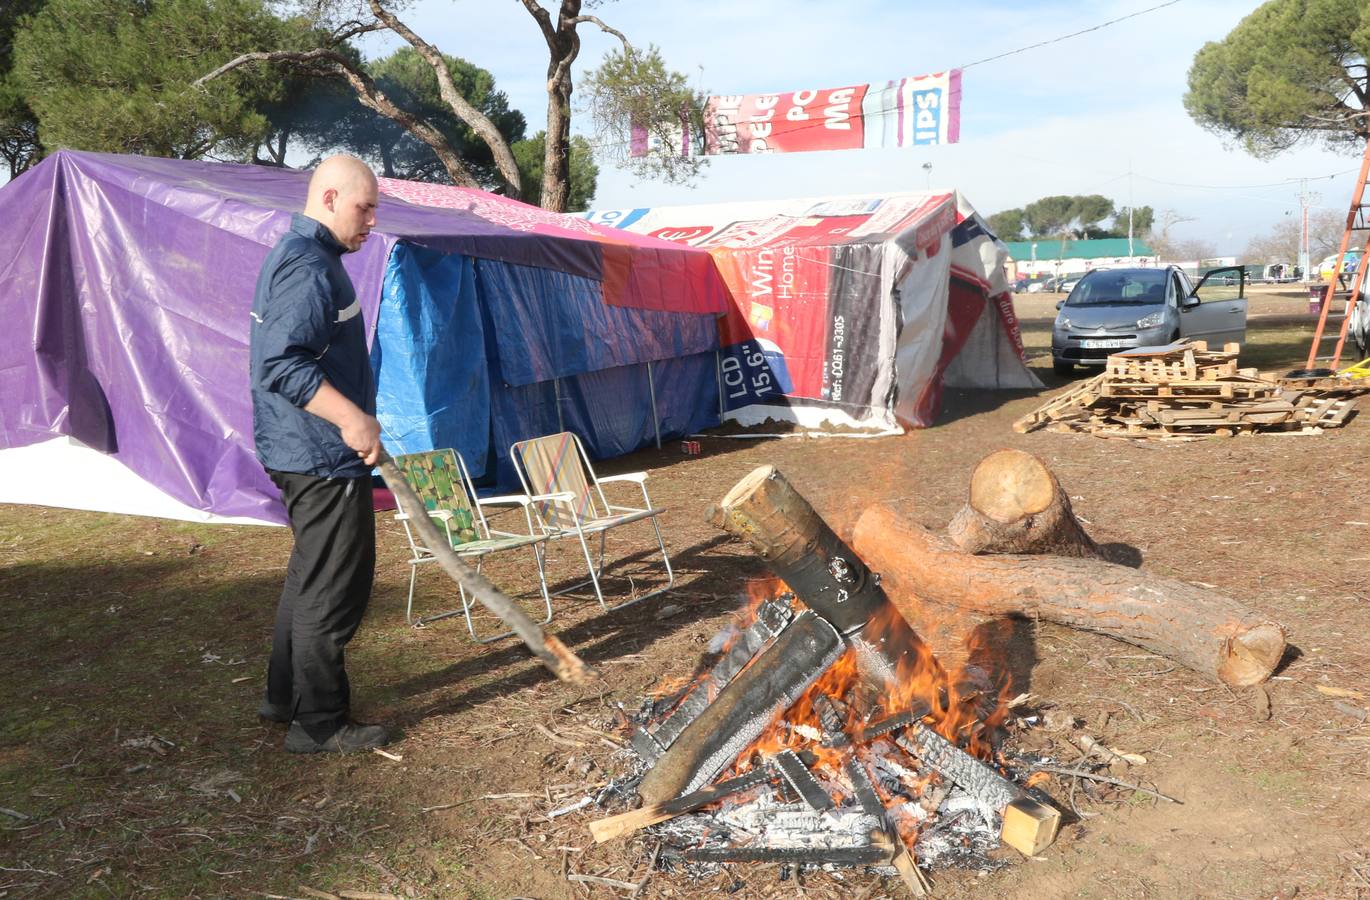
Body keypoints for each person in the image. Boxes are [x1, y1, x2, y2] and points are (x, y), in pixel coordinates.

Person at [249, 155, 390, 754]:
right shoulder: (307, 266)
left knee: (310, 578)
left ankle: (284, 699)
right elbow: (281, 364)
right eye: (364, 208)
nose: (371, 222)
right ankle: (321, 724)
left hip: (304, 450)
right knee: (333, 590)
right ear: (329, 198)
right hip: (318, 455)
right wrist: (352, 417)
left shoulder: (308, 257)